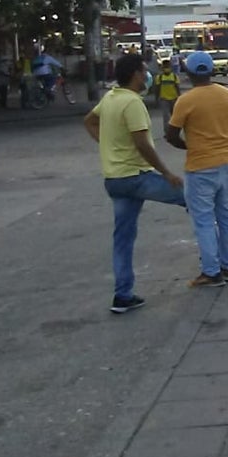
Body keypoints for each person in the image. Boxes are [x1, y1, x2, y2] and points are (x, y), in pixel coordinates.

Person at [83, 54, 186, 314]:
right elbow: (142, 144)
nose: (147, 75)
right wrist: (166, 173)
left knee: (123, 238)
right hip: (136, 176)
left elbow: (89, 121)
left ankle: (123, 295)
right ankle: (220, 259)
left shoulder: (111, 98)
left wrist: (109, 145)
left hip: (115, 179)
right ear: (135, 75)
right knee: (193, 197)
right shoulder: (132, 102)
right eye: (143, 71)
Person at [166, 51, 228, 288]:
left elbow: (170, 134)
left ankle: (211, 271)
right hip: (227, 161)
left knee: (204, 220)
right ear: (211, 71)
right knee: (226, 215)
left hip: (200, 167)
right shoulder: (227, 94)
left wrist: (189, 145)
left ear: (188, 72)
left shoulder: (186, 100)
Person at [155, 59, 180, 130]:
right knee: (166, 117)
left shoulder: (174, 76)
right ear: (162, 68)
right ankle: (167, 131)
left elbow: (177, 87)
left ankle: (174, 131)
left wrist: (179, 97)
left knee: (174, 117)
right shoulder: (159, 77)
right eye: (165, 67)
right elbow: (157, 88)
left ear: (171, 67)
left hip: (174, 98)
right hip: (164, 99)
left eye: (168, 67)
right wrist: (157, 98)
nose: (166, 69)